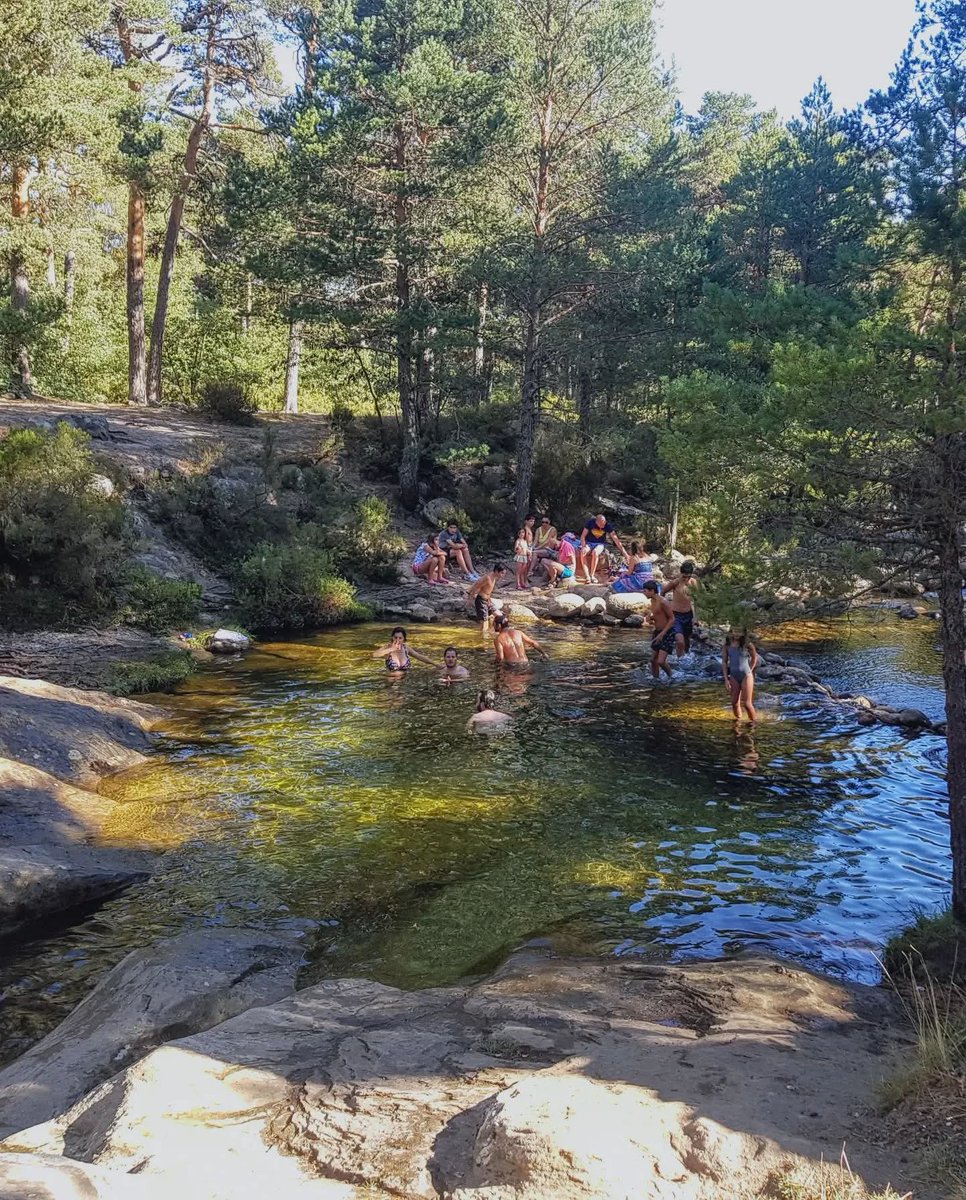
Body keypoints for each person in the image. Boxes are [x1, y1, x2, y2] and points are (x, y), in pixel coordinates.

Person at [662, 559, 699, 656]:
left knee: (686, 640)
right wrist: (664, 607)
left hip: (688, 615)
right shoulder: (675, 582)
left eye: (688, 576)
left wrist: (696, 617)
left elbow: (697, 600)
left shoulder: (693, 583)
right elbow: (663, 592)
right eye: (684, 576)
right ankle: (679, 662)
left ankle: (686, 659)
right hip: (676, 615)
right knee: (679, 641)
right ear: (681, 573)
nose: (686, 578)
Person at [642, 580, 676, 679]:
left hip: (667, 632)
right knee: (653, 660)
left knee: (660, 661)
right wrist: (651, 618)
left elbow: (672, 618)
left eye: (645, 591)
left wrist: (663, 633)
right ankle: (656, 679)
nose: (644, 593)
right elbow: (659, 616)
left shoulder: (663, 602)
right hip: (657, 632)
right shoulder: (652, 601)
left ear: (652, 591)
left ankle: (671, 676)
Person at [577, 514, 626, 583]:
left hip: (600, 543)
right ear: (597, 522)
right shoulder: (590, 523)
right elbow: (583, 536)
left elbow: (616, 539)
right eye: (601, 524)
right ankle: (587, 575)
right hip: (589, 542)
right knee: (583, 552)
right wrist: (583, 546)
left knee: (595, 552)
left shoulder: (607, 525)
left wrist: (625, 553)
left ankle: (592, 575)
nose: (603, 525)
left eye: (604, 523)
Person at [722, 630, 759, 721]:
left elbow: (754, 657)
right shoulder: (727, 646)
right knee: (734, 703)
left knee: (747, 704)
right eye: (735, 631)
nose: (737, 634)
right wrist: (726, 679)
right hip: (734, 676)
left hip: (746, 675)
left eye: (740, 632)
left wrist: (750, 670)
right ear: (731, 632)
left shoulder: (747, 645)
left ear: (743, 633)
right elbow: (724, 662)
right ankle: (738, 721)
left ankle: (752, 723)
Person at [371, 627, 439, 675]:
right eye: (395, 637)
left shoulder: (406, 648)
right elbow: (375, 654)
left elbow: (419, 657)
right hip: (391, 683)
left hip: (404, 681)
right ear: (392, 637)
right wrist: (391, 649)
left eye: (400, 638)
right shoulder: (388, 647)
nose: (397, 640)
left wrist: (435, 664)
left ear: (404, 639)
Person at [466, 562, 508, 629]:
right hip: (481, 602)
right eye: (502, 573)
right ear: (497, 571)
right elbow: (476, 586)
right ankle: (483, 637)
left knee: (501, 617)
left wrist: (490, 601)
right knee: (484, 625)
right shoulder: (487, 578)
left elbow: (488, 591)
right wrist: (470, 599)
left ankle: (496, 631)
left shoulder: (494, 577)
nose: (503, 575)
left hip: (487, 601)